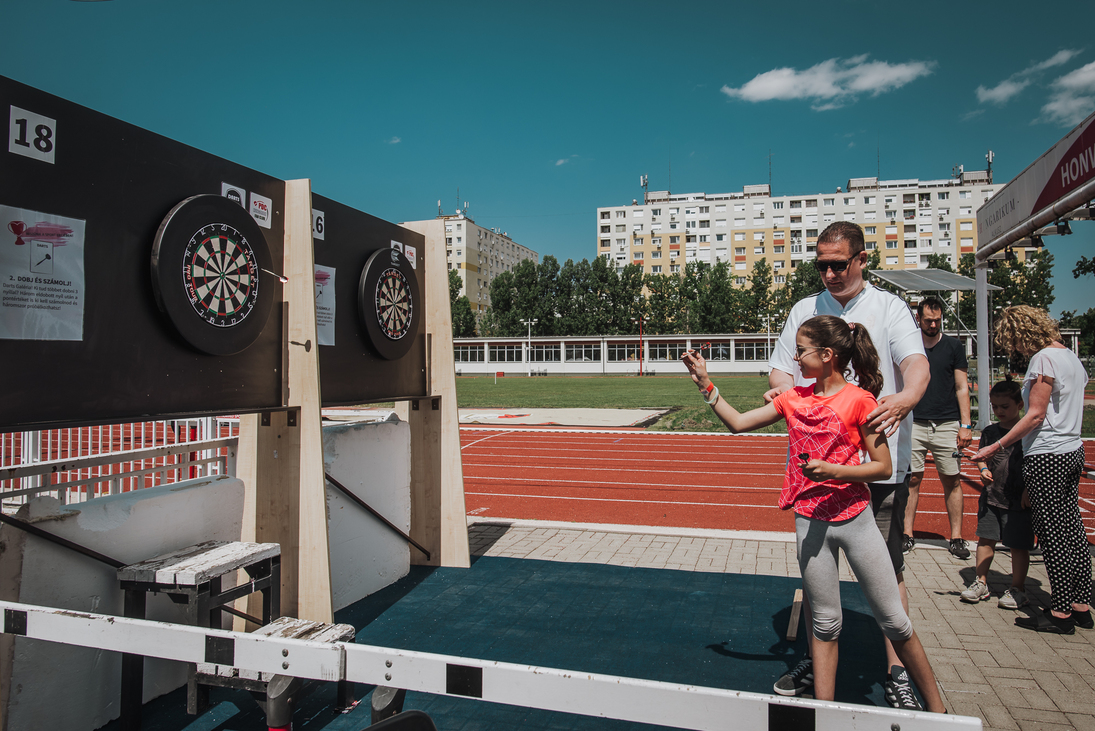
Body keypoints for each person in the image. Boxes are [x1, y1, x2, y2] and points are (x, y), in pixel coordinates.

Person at [681, 315, 944, 713]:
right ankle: (825, 715)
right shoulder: (794, 398)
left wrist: (835, 471)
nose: (795, 358)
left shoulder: (860, 400)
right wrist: (705, 382)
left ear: (827, 354)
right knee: (824, 625)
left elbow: (883, 467)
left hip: (856, 522)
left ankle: (939, 711)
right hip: (809, 522)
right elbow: (738, 424)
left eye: (801, 351)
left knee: (894, 622)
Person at [765, 221, 929, 709]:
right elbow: (781, 366)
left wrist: (905, 397)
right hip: (818, 471)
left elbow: (915, 363)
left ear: (861, 260)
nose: (830, 273)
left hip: (878, 466)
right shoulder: (803, 309)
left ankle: (898, 671)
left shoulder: (889, 307)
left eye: (839, 264)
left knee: (889, 568)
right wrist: (778, 388)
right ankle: (818, 662)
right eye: (821, 265)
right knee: (818, 571)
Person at [970, 306, 1090, 634]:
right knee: (1072, 529)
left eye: (1012, 341)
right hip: (1071, 450)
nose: (1015, 350)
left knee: (1052, 535)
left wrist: (996, 445)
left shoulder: (1043, 359)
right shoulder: (1071, 357)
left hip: (1047, 455)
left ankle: (1061, 612)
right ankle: (1081, 603)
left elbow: (1035, 414)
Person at [903, 296, 974, 560]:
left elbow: (961, 387)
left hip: (947, 424)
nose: (933, 324)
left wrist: (965, 425)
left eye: (937, 320)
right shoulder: (910, 347)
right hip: (915, 423)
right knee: (912, 479)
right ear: (918, 318)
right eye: (928, 320)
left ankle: (956, 537)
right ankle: (907, 534)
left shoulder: (954, 346)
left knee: (952, 480)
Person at [960, 378, 1032, 609]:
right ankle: (980, 581)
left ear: (1020, 405)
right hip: (992, 495)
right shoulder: (991, 432)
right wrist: (982, 470)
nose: (1000, 411)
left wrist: (1029, 490)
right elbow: (983, 457)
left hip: (1018, 499)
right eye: (995, 407)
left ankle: (1018, 588)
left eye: (1005, 407)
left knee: (1017, 545)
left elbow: (1034, 462)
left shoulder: (1028, 432)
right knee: (986, 538)